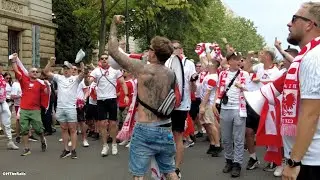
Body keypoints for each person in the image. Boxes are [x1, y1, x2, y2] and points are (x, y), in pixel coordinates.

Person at [108, 15, 179, 180]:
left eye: (150, 48)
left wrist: (113, 23)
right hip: (166, 127)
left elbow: (112, 50)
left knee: (138, 174)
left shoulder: (143, 69)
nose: (148, 51)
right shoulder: (171, 74)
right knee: (169, 171)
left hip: (145, 128)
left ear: (154, 54)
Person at [281, 2, 320, 180]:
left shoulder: (313, 57)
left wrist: (293, 162)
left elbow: (310, 114)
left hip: (310, 160)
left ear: (309, 24)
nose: (289, 23)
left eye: (294, 18)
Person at [215, 51, 250, 178]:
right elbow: (220, 90)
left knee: (239, 139)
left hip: (239, 108)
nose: (238, 61)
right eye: (235, 59)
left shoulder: (245, 74)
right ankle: (228, 160)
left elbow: (251, 89)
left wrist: (243, 87)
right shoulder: (223, 74)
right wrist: (216, 103)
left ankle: (237, 164)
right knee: (226, 138)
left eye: (239, 59)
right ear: (229, 61)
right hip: (225, 108)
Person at [44, 58, 87, 159]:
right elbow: (46, 72)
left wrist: (80, 61)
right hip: (60, 107)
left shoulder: (76, 78)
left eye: (68, 68)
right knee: (63, 129)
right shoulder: (59, 77)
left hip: (71, 108)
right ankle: (66, 149)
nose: (66, 70)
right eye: (64, 68)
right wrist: (50, 62)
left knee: (72, 129)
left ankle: (74, 150)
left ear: (72, 70)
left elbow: (84, 73)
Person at [166, 40, 197, 178]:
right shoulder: (166, 61)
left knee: (178, 135)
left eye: (175, 48)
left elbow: (193, 87)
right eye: (171, 48)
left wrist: (193, 82)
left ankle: (176, 168)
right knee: (166, 136)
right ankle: (166, 165)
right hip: (166, 104)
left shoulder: (189, 64)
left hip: (182, 104)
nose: (173, 50)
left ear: (181, 49)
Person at [87, 53, 129, 156]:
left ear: (109, 60)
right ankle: (105, 145)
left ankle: (114, 143)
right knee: (102, 124)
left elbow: (123, 83)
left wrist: (126, 95)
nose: (104, 60)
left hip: (112, 99)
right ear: (100, 60)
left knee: (113, 123)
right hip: (101, 100)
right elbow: (90, 80)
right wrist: (90, 79)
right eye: (102, 59)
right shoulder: (96, 71)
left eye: (106, 58)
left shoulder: (115, 70)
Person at [10, 54, 48, 156]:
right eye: (33, 71)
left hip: (35, 110)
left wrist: (48, 87)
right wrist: (13, 60)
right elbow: (16, 70)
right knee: (24, 130)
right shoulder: (24, 81)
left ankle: (42, 140)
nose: (35, 73)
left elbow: (46, 93)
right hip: (24, 109)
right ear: (29, 73)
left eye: (36, 72)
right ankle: (27, 149)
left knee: (38, 129)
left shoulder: (40, 83)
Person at [0, 63, 19, 150]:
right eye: (1, 68)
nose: (2, 69)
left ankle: (10, 141)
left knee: (7, 121)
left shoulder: (1, 78)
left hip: (3, 102)